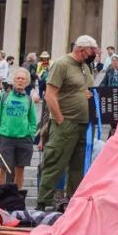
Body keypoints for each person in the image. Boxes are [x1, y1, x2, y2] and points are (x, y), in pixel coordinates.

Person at [36, 34, 97, 210]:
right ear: (81, 49)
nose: (94, 54)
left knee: (78, 166)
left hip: (84, 124)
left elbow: (85, 90)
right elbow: (50, 95)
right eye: (92, 51)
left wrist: (89, 95)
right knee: (55, 161)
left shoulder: (85, 67)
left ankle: (72, 202)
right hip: (66, 122)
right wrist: (60, 119)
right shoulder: (62, 64)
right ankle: (43, 202)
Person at [0, 67, 37, 189]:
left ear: (27, 82)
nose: (20, 81)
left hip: (24, 139)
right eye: (18, 78)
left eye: (23, 79)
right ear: (13, 80)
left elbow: (33, 120)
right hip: (6, 138)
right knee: (2, 168)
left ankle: (16, 197)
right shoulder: (4, 96)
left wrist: (31, 134)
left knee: (20, 169)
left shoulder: (29, 99)